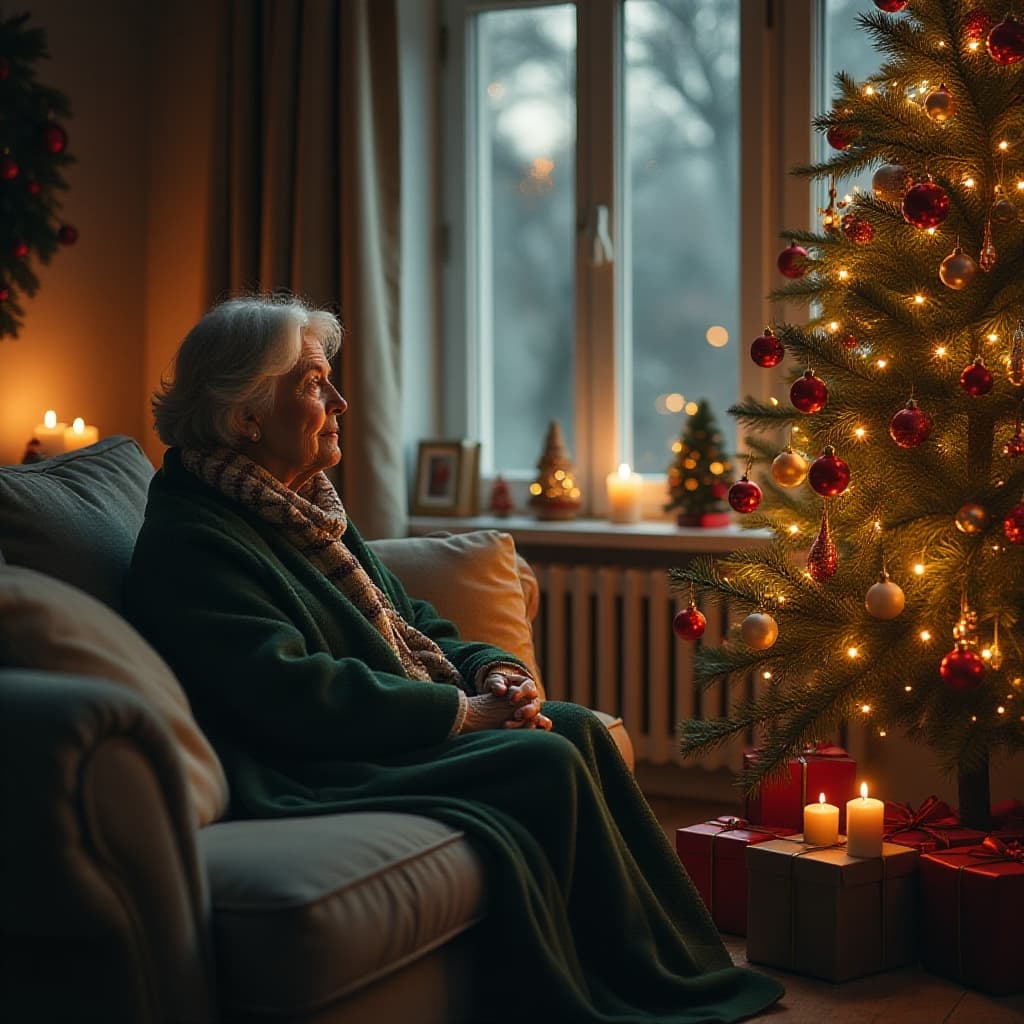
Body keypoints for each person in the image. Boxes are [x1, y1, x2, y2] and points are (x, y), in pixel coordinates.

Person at [127, 294, 783, 1023]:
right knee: (546, 759)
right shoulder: (194, 536)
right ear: (247, 414)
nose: (340, 402)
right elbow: (289, 690)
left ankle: (674, 969)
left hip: (379, 722)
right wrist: (463, 714)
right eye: (314, 384)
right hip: (304, 760)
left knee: (578, 728)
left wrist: (491, 672)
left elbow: (413, 623)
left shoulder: (298, 506)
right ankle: (611, 993)